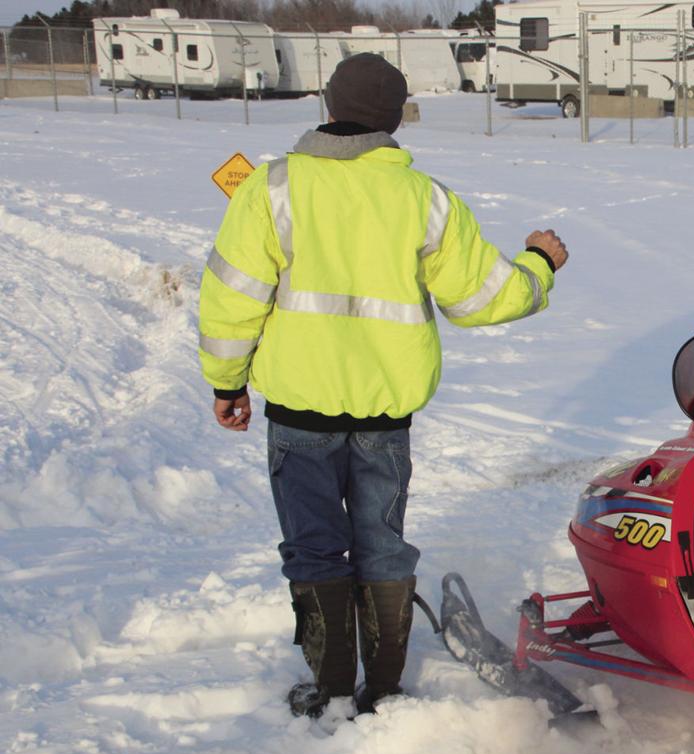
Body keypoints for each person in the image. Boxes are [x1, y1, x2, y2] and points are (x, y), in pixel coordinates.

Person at [198, 53, 569, 718]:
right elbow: (485, 297)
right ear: (396, 120)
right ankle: (384, 690)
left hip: (299, 414)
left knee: (314, 547)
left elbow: (231, 301)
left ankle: (332, 689)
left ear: (328, 104)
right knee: (382, 544)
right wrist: (539, 263)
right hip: (383, 418)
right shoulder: (425, 200)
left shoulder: (272, 188)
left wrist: (228, 385)